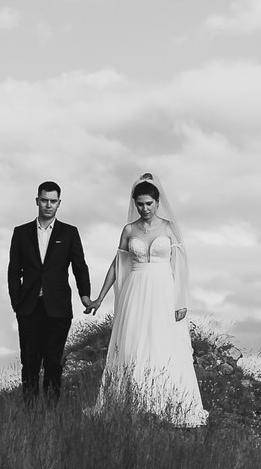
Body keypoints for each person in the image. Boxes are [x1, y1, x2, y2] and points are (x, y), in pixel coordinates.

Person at [83, 172, 207, 427]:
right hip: (136, 289)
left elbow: (181, 265)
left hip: (163, 289)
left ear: (157, 203)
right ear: (134, 203)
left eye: (149, 203)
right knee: (134, 341)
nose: (144, 208)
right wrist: (98, 298)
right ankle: (132, 401)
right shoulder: (129, 230)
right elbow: (117, 265)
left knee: (163, 341)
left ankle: (168, 401)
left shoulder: (170, 228)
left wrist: (181, 300)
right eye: (140, 204)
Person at [6, 180, 92, 402]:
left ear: (59, 203)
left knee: (53, 361)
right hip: (29, 307)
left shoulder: (69, 232)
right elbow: (14, 271)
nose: (48, 205)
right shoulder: (21, 232)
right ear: (37, 201)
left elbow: (79, 266)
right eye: (44, 200)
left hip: (58, 308)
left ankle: (52, 411)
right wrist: (17, 303)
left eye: (53, 201)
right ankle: (32, 411)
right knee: (30, 362)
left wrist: (85, 295)